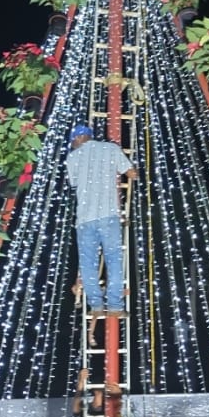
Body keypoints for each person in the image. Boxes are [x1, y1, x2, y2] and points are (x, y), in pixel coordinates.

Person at [65, 123, 138, 317]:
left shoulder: (72, 157)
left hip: (85, 219)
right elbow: (132, 174)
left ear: (78, 138)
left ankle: (96, 305)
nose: (72, 144)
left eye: (73, 141)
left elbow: (73, 183)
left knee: (88, 263)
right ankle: (115, 306)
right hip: (108, 215)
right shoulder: (110, 148)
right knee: (114, 260)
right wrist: (128, 168)